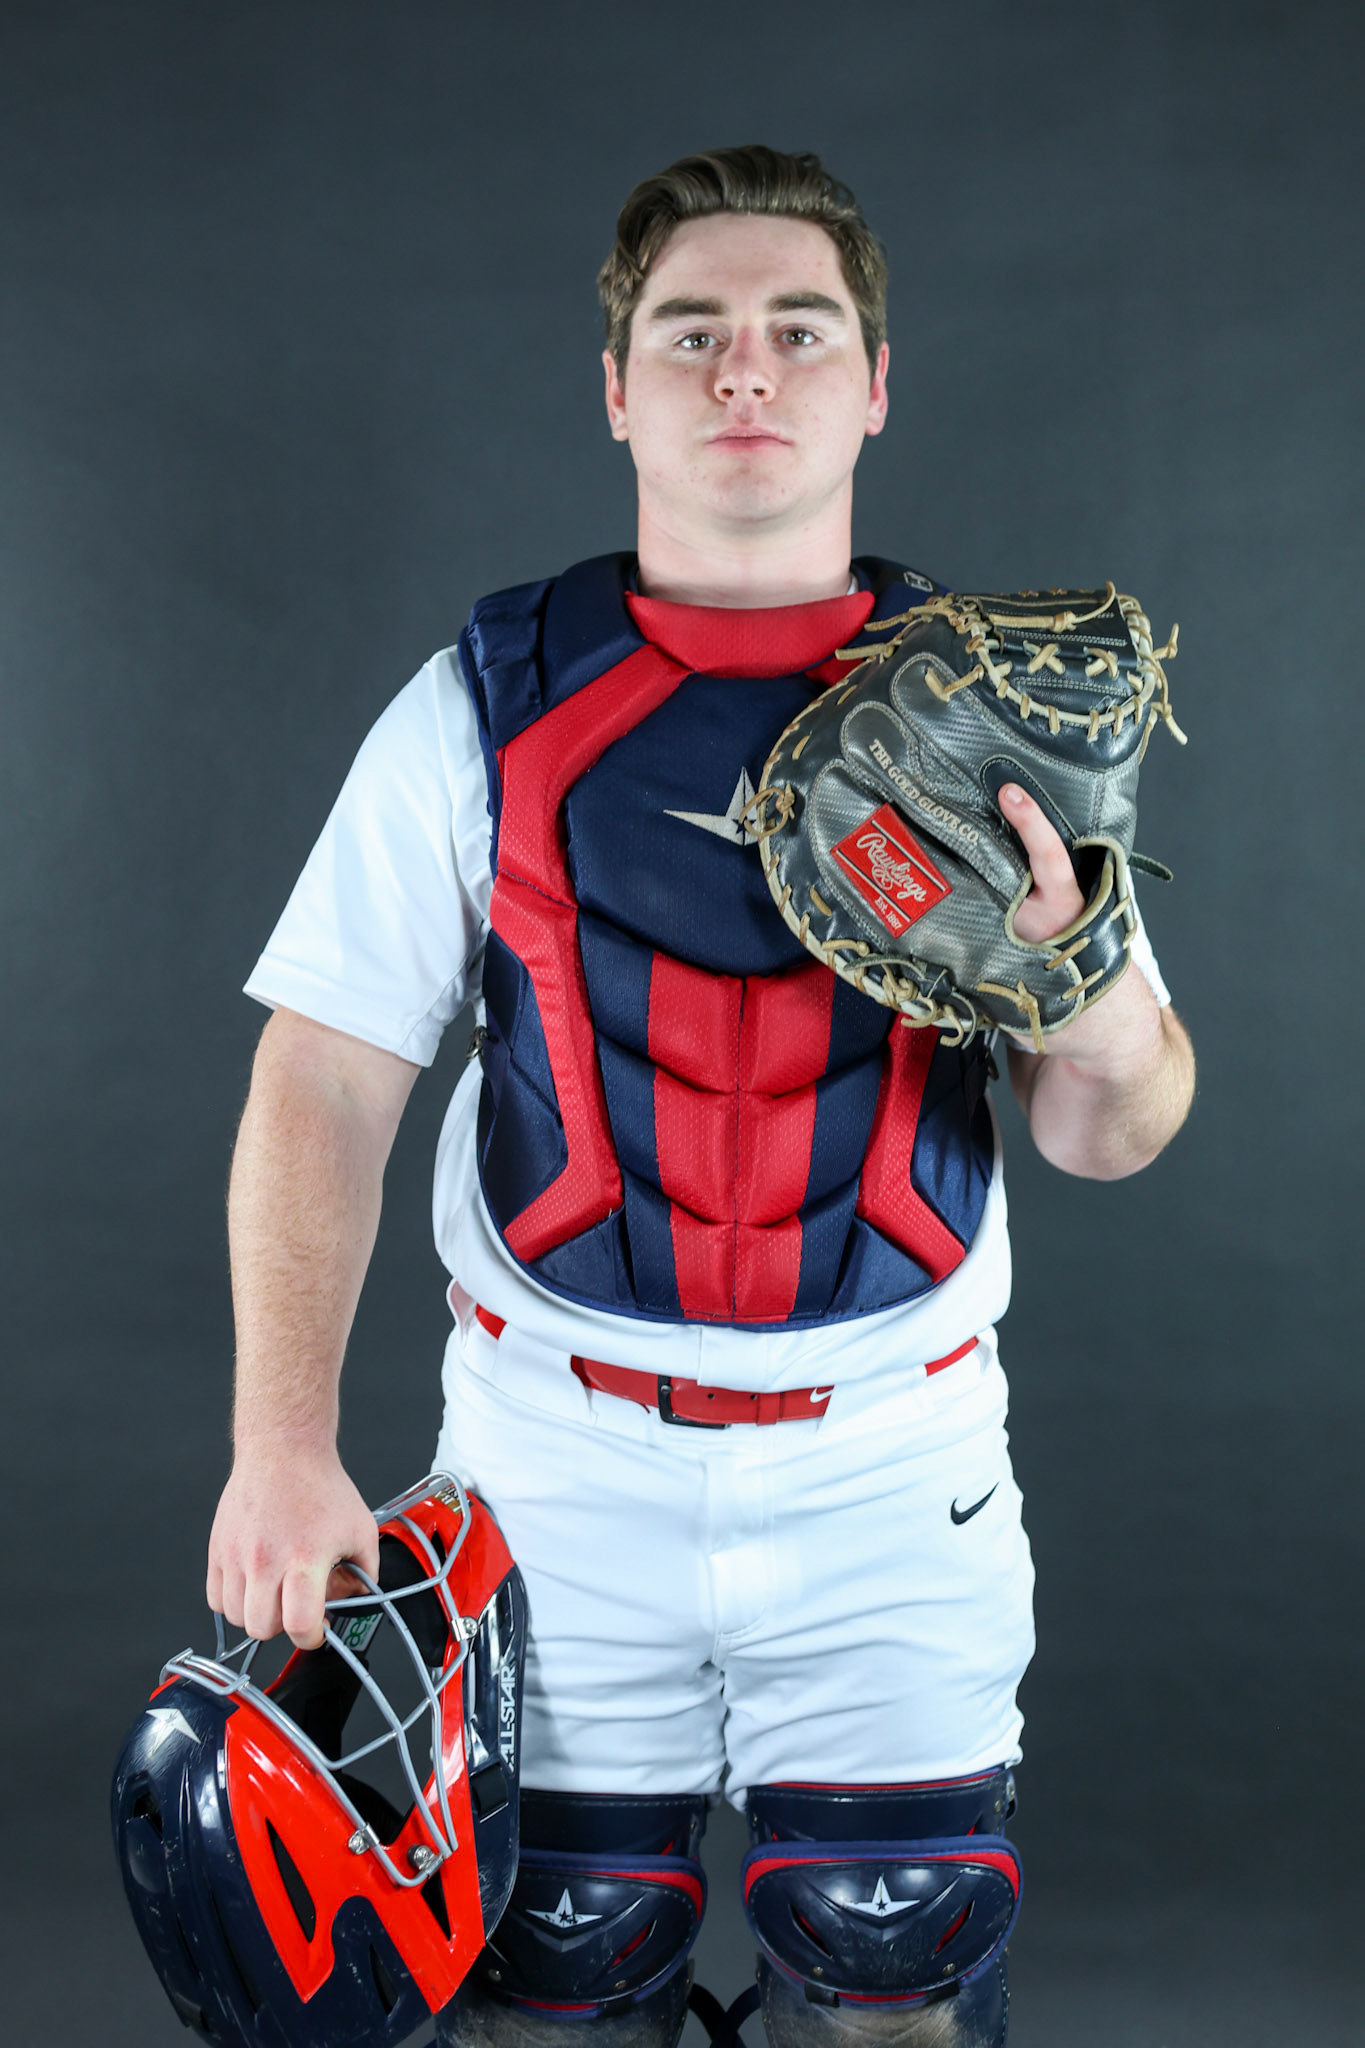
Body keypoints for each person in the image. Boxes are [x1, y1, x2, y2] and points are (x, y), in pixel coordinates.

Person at [207, 146, 1194, 2046]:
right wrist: (279, 1443)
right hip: (553, 1460)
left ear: (874, 384)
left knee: (899, 1984)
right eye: (692, 331)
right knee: (553, 1984)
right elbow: (320, 1076)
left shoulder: (1003, 718)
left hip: (890, 1459)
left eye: (799, 330)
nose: (746, 368)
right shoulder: (481, 703)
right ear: (617, 389)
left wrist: (1075, 987)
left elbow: (1112, 1130)